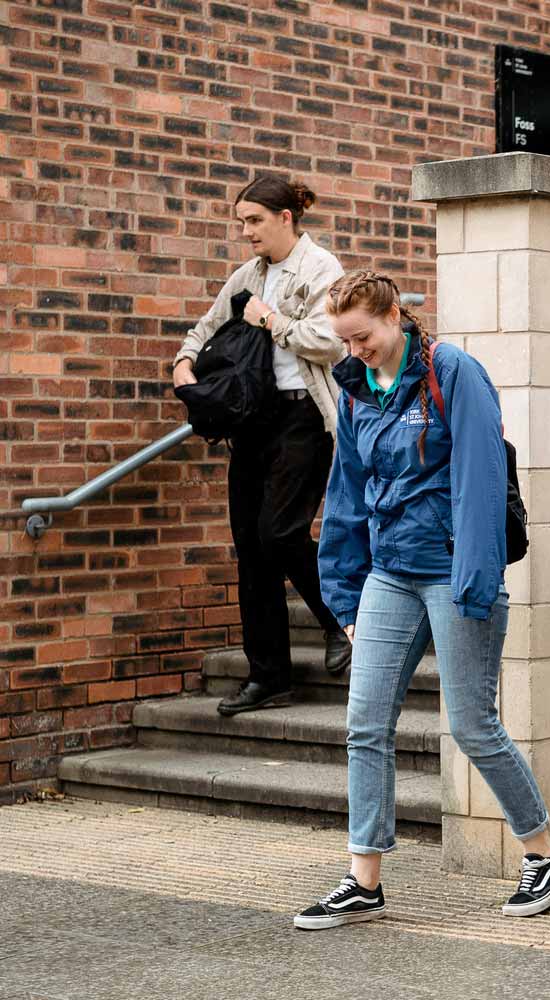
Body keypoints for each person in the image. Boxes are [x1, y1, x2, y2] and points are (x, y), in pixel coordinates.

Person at [299, 270, 550, 929]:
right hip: (390, 574)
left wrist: (477, 580)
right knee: (365, 723)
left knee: (472, 725)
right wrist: (344, 596)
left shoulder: (453, 373)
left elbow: (482, 478)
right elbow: (346, 492)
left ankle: (544, 855)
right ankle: (364, 880)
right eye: (344, 342)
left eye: (362, 337)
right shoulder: (357, 389)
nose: (355, 351)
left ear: (395, 315)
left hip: (454, 572)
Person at [172, 176, 352, 717]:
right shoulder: (247, 276)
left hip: (304, 416)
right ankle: (268, 676)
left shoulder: (320, 269)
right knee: (251, 545)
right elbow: (205, 328)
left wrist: (271, 319)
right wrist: (183, 363)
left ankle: (342, 619)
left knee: (281, 531)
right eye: (242, 222)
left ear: (285, 218)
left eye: (254, 220)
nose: (246, 231)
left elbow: (331, 341)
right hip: (253, 420)